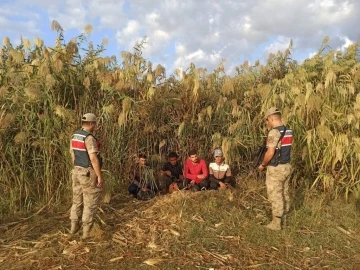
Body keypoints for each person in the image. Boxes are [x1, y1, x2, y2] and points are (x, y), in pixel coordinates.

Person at [258, 107, 293, 231]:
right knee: (284, 192)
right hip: (287, 166)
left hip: (276, 168)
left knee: (275, 195)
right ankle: (285, 218)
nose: (267, 123)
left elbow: (270, 152)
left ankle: (276, 223)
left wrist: (263, 164)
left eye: (268, 120)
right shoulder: (289, 131)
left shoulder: (274, 132)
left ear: (271, 118)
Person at [69, 113, 103, 240]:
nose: (95, 126)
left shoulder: (75, 135)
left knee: (76, 201)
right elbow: (93, 158)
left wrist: (76, 167)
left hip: (76, 171)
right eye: (94, 124)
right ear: (91, 124)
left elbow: (72, 154)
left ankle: (73, 227)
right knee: (90, 202)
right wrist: (99, 176)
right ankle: (86, 232)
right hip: (87, 172)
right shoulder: (89, 138)